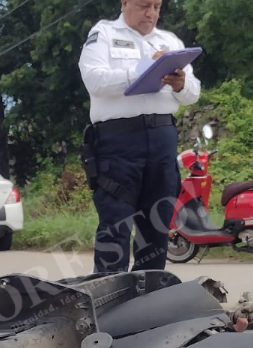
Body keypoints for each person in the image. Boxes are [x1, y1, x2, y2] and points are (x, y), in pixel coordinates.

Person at [78, 0, 201, 273]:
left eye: (157, 6)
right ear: (124, 4)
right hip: (119, 142)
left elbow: (193, 93)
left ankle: (149, 304)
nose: (151, 13)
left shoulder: (169, 40)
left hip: (162, 139)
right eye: (144, 5)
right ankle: (110, 305)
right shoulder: (105, 34)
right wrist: (142, 72)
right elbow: (94, 80)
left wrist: (181, 85)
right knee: (116, 228)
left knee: (156, 230)